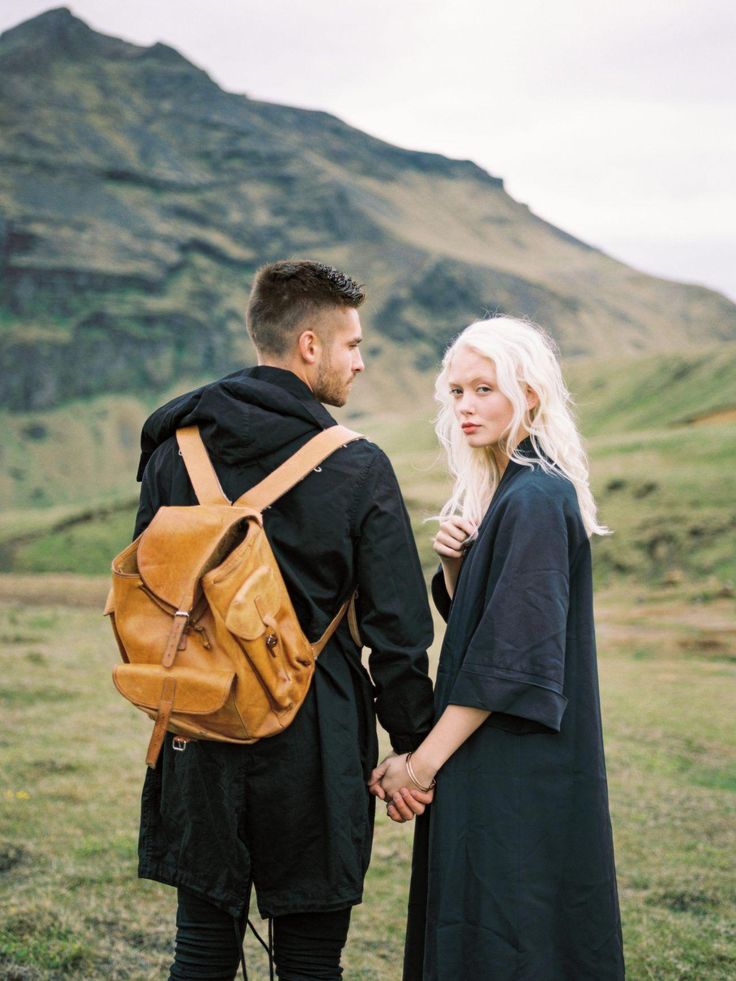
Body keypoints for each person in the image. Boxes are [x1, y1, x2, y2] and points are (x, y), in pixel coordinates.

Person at [132, 260, 435, 980]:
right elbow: (399, 634)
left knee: (201, 949)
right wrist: (414, 750)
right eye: (353, 345)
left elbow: (154, 587)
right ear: (309, 345)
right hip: (316, 738)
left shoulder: (175, 447)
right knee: (307, 960)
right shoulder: (359, 465)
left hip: (197, 729)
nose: (360, 363)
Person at [369, 317, 625, 980]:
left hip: (519, 774)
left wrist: (419, 767)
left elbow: (509, 664)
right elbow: (492, 626)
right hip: (493, 765)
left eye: (484, 388)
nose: (465, 406)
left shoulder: (537, 495)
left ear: (529, 394)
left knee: (510, 942)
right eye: (456, 391)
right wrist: (458, 567)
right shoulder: (511, 490)